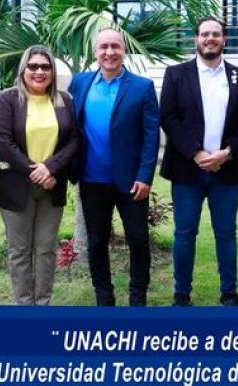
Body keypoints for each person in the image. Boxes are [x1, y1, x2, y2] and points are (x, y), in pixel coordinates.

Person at [160, 17, 238, 307]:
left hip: (226, 171)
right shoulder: (176, 74)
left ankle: (229, 292)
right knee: (184, 233)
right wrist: (196, 153)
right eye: (205, 34)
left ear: (224, 39)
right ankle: (181, 293)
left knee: (226, 233)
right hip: (187, 170)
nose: (210, 39)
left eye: (216, 34)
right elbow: (169, 117)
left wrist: (226, 153)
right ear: (196, 39)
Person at [68, 28, 160, 306]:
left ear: (123, 50)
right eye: (104, 47)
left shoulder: (142, 86)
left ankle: (137, 297)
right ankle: (103, 296)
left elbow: (151, 135)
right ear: (95, 51)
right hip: (91, 179)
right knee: (96, 241)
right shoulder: (80, 83)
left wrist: (145, 176)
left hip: (131, 181)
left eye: (115, 47)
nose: (109, 52)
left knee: (138, 240)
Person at [0, 45, 78, 305]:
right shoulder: (7, 99)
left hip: (52, 185)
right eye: (33, 66)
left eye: (45, 66)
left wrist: (50, 168)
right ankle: (25, 306)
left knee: (46, 248)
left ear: (52, 71)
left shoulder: (64, 100)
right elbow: (4, 142)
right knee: (19, 250)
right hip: (15, 186)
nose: (39, 71)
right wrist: (36, 172)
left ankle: (43, 305)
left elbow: (74, 139)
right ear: (23, 70)